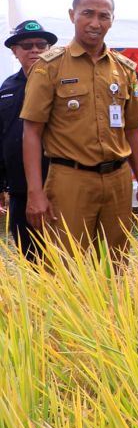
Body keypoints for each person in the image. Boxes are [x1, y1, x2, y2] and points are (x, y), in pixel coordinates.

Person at [20, 0, 138, 264]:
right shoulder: (50, 67)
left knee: (116, 264)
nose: (95, 23)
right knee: (68, 265)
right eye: (87, 14)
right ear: (72, 16)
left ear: (112, 20)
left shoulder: (124, 69)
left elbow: (133, 129)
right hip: (71, 179)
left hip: (117, 180)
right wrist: (35, 192)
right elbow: (32, 132)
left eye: (103, 16)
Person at [0, 20, 55, 260]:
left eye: (41, 45)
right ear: (14, 50)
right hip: (20, 186)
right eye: (27, 45)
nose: (34, 50)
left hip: (58, 183)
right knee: (29, 252)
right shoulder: (7, 87)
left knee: (64, 254)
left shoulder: (61, 83)